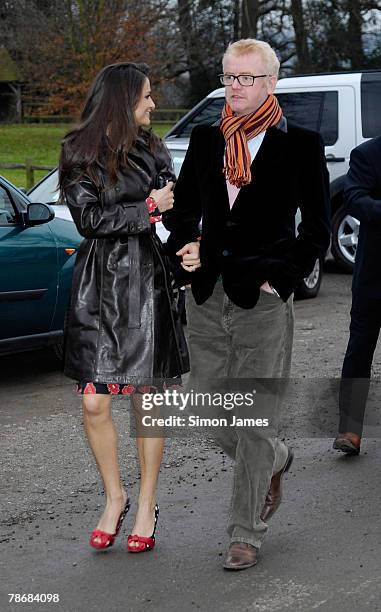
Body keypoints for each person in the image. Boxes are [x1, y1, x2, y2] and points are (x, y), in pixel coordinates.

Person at [164, 38, 330, 570]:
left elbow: (318, 231)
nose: (234, 87)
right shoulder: (206, 139)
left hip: (261, 300)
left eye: (246, 78)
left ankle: (245, 532)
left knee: (253, 418)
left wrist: (281, 280)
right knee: (212, 415)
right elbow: (183, 210)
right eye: (228, 78)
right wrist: (185, 245)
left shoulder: (301, 145)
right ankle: (277, 458)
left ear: (270, 82)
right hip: (207, 295)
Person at [59, 62, 189, 553]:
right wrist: (149, 208)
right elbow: (89, 219)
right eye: (147, 96)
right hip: (98, 282)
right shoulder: (77, 150)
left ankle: (146, 503)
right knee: (95, 400)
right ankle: (114, 497)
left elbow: (177, 200)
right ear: (122, 99)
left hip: (147, 279)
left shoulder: (154, 148)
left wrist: (183, 232)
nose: (153, 104)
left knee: (147, 400)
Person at [333, 135, 381, 456]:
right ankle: (350, 430)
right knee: (360, 350)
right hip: (374, 277)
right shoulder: (367, 154)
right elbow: (353, 198)